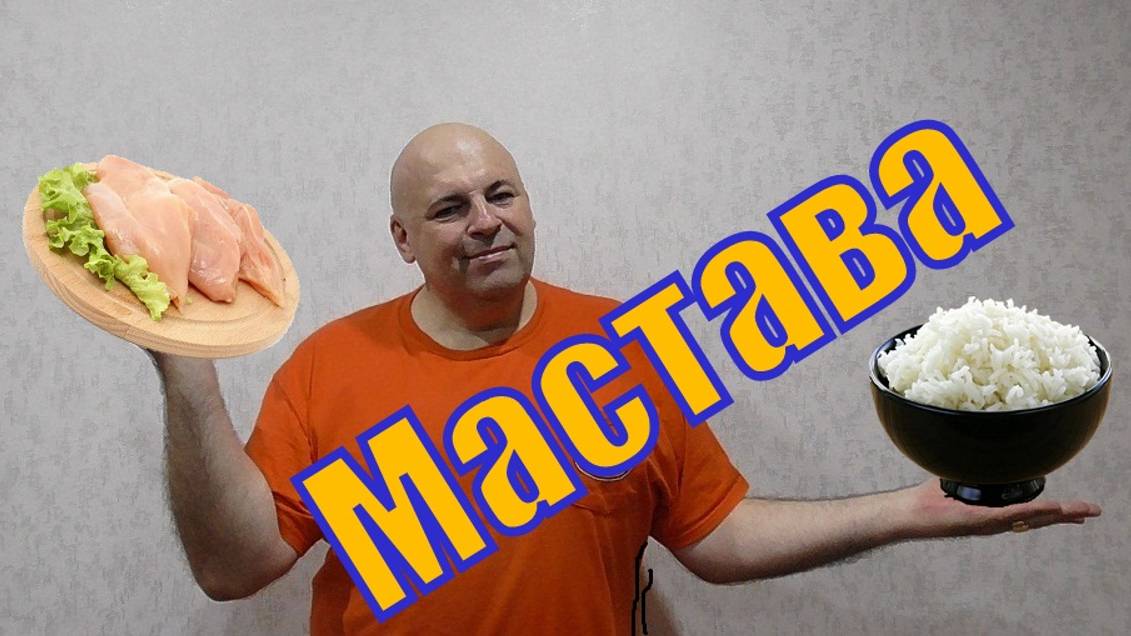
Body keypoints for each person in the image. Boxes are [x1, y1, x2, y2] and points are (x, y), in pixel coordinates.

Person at [148, 123, 1101, 635]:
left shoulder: (621, 348)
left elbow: (713, 533)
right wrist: (187, 371)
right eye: (448, 208)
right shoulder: (327, 365)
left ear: (529, 207)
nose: (484, 220)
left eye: (501, 193)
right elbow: (236, 569)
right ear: (403, 239)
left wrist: (909, 510)